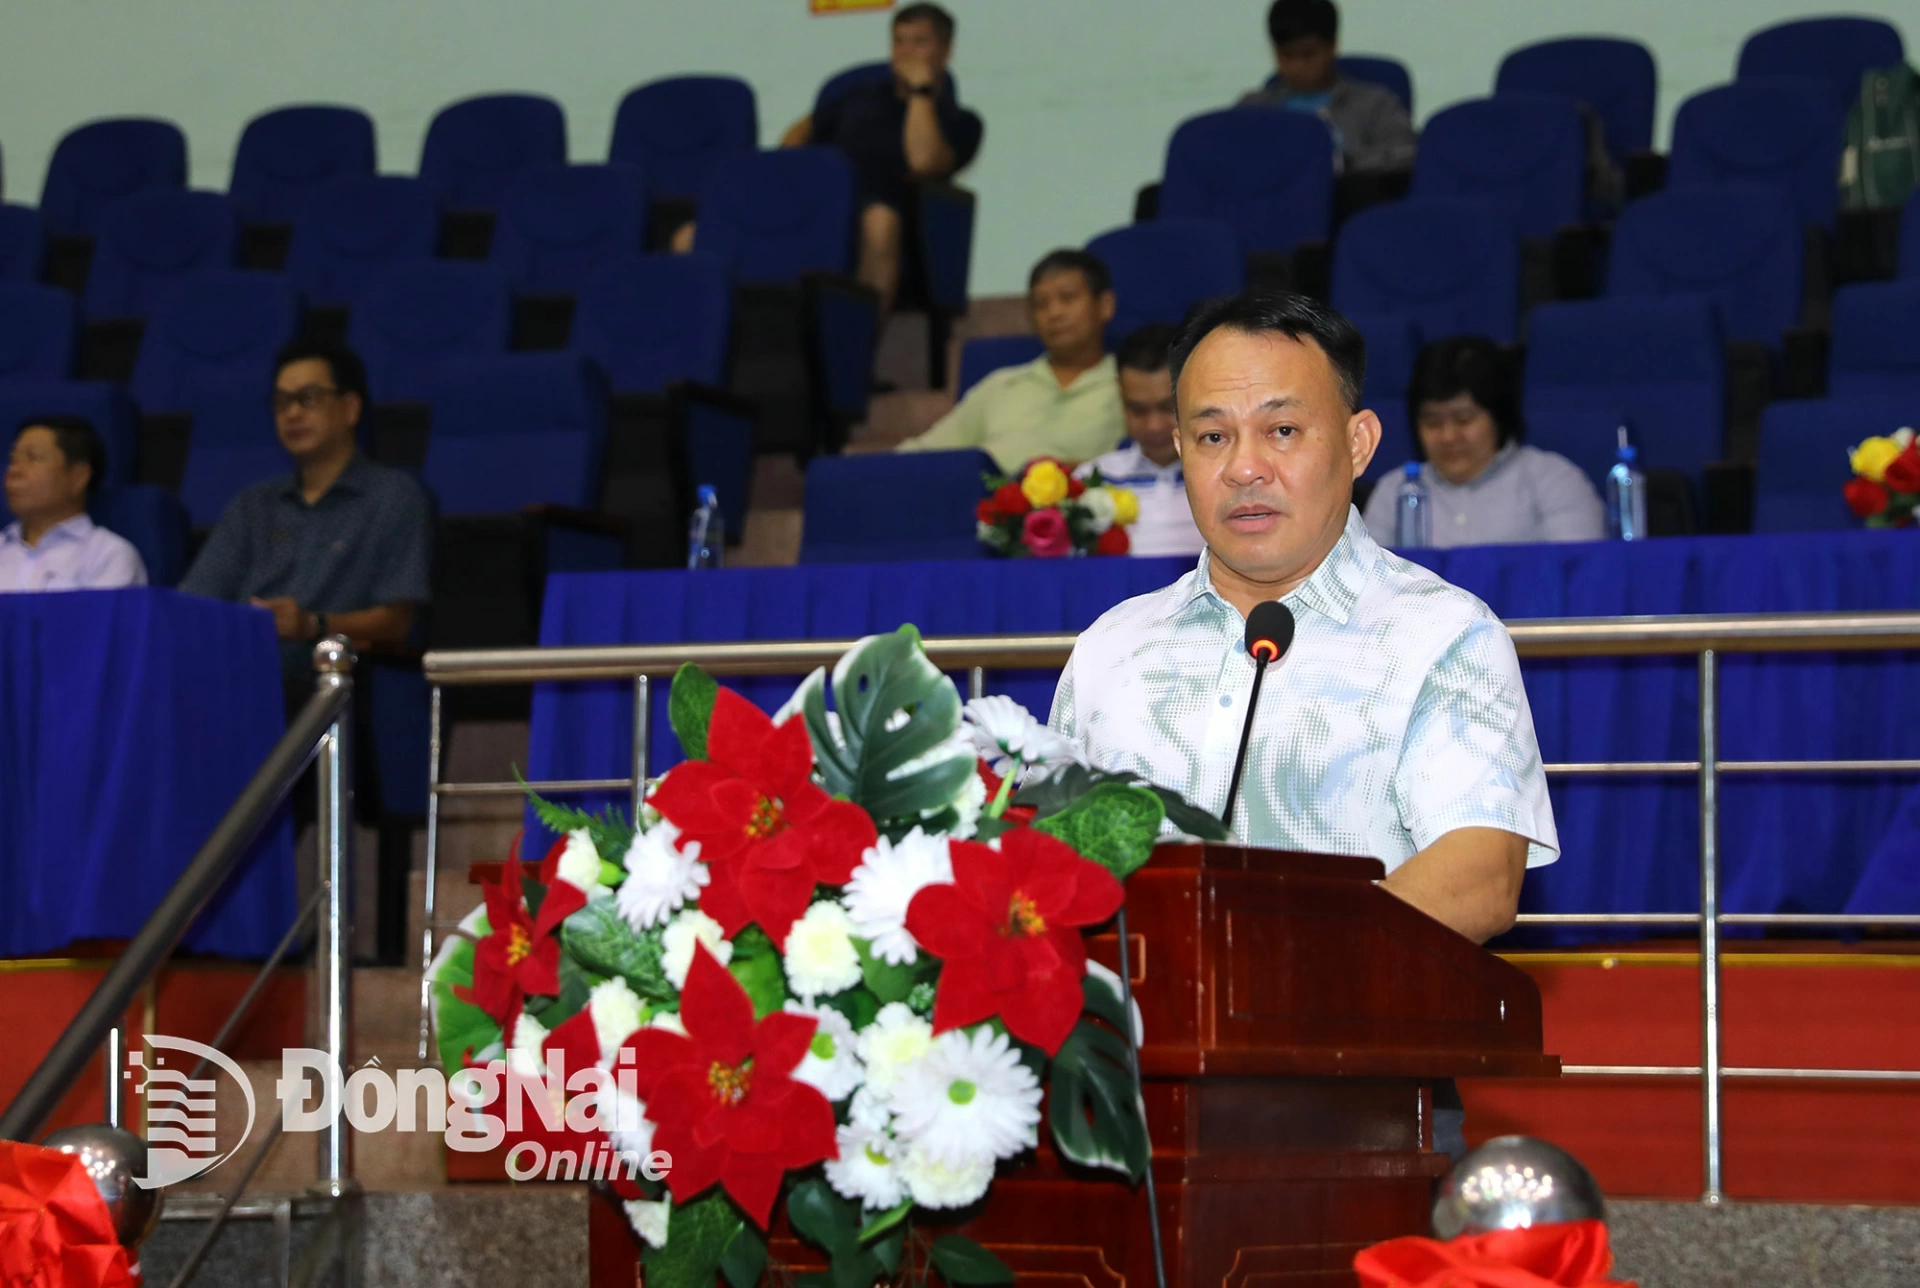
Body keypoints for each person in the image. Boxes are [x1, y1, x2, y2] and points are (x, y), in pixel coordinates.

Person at [179, 340, 431, 687]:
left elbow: (397, 622)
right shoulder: (252, 505)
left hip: (332, 688)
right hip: (235, 679)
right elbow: (196, 602)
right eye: (281, 402)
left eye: (308, 398)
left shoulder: (392, 497)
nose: (292, 413)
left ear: (351, 408)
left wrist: (312, 625)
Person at [770, 3, 983, 319]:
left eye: (919, 42)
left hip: (897, 221)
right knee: (694, 233)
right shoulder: (858, 96)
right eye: (899, 41)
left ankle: (855, 355)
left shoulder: (961, 121)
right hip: (826, 204)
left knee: (879, 220)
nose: (905, 52)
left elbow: (923, 161)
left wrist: (920, 92)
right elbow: (796, 137)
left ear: (946, 50)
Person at [1362, 336, 1605, 548]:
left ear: (1499, 417)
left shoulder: (1553, 481)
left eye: (1464, 419)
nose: (1448, 436)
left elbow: (1580, 577)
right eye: (1433, 422)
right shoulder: (1394, 492)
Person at [898, 249, 1123, 471]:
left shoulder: (1129, 386)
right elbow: (922, 453)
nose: (1054, 313)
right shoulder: (1000, 385)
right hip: (989, 503)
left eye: (1068, 298)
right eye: (1040, 304)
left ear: (1105, 306)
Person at [1238, 0, 1416, 173]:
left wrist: (1342, 162)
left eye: (1308, 55)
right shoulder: (1253, 108)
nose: (1297, 66)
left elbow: (1406, 153)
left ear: (1332, 46)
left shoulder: (1374, 104)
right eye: (1286, 55)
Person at [1073, 324, 1204, 558]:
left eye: (1167, 408)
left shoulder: (1229, 475)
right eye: (1137, 410)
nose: (1153, 425)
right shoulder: (1091, 479)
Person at [1, 415, 146, 592]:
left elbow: (103, 620)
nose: (14, 471)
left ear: (79, 477)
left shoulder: (109, 555)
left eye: (33, 458)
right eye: (13, 460)